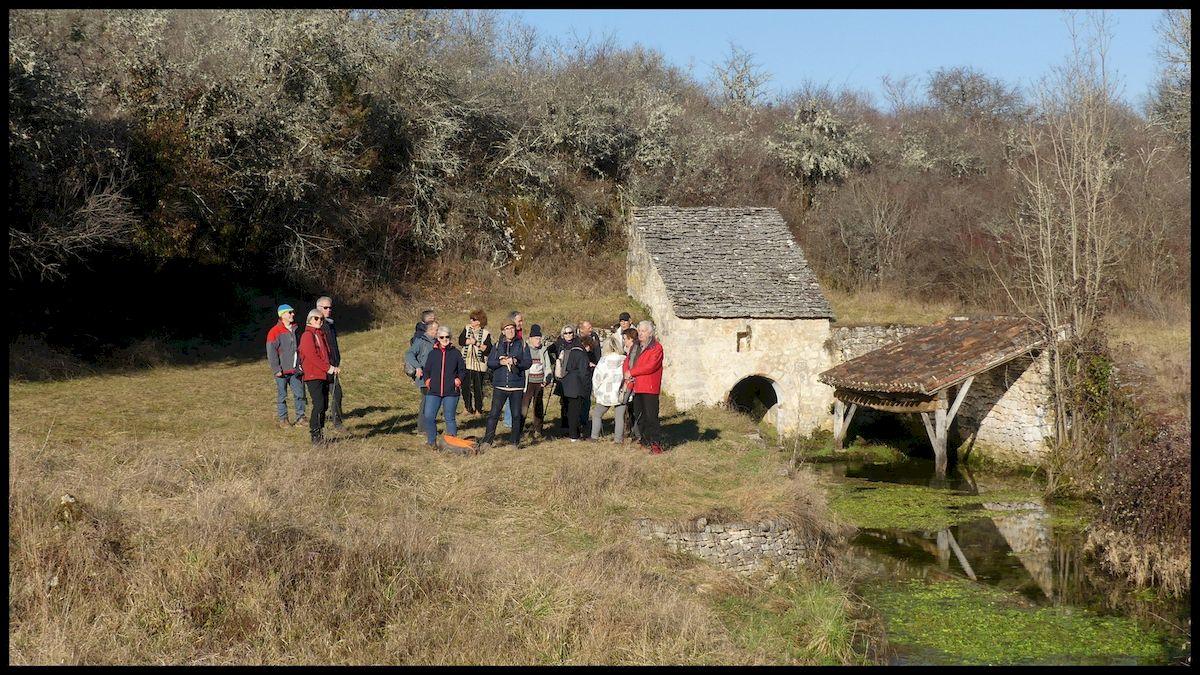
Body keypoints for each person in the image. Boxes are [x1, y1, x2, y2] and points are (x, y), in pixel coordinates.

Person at [478, 320, 531, 452]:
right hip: (500, 385)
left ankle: (514, 442)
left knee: (516, 415)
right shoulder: (497, 345)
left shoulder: (523, 344)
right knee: (493, 414)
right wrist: (500, 362)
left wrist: (516, 361)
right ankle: (487, 441)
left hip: (516, 386)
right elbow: (490, 363)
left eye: (512, 328)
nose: (510, 331)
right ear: (503, 331)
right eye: (507, 328)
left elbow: (528, 363)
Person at [298, 309, 339, 445]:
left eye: (321, 319)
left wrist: (331, 368)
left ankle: (320, 433)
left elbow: (326, 355)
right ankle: (315, 434)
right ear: (310, 319)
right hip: (313, 374)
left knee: (324, 404)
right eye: (316, 318)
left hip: (323, 375)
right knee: (319, 404)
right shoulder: (307, 335)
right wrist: (329, 368)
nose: (319, 321)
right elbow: (312, 356)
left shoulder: (320, 334)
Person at [422, 325, 466, 448]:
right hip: (434, 391)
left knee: (449, 418)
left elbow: (462, 370)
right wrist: (427, 381)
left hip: (451, 392)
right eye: (442, 337)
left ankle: (452, 445)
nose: (445, 339)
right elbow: (426, 370)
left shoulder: (456, 353)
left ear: (450, 337)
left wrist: (459, 379)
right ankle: (431, 442)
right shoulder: (432, 354)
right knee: (429, 416)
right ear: (438, 338)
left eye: (447, 337)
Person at [624, 320, 664, 454]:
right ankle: (644, 441)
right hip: (637, 386)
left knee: (651, 417)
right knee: (639, 416)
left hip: (650, 387)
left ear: (650, 333)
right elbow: (627, 360)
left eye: (643, 331)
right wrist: (626, 372)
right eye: (639, 331)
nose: (640, 333)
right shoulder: (636, 346)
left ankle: (655, 445)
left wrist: (632, 372)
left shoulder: (656, 348)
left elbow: (651, 366)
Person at [266, 304, 306, 428]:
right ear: (282, 315)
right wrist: (276, 369)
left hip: (295, 370)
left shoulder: (297, 329)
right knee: (282, 395)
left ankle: (301, 418)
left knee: (300, 394)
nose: (292, 314)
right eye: (289, 312)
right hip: (281, 371)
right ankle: (283, 420)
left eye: (293, 312)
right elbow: (271, 352)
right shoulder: (274, 332)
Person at [589, 330, 631, 443]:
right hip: (620, 392)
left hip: (605, 393)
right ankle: (618, 440)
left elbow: (597, 378)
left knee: (597, 414)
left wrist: (595, 391)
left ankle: (594, 437)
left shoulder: (603, 361)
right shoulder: (624, 359)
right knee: (619, 417)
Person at [555, 323, 590, 441]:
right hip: (568, 382)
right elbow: (584, 369)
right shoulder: (564, 347)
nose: (568, 335)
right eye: (566, 333)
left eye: (570, 332)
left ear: (574, 334)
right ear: (562, 335)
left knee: (572, 409)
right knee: (571, 409)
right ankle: (573, 434)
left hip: (570, 382)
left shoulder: (574, 348)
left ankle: (571, 432)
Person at [316, 296, 346, 432]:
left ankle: (338, 422)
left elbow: (333, 346)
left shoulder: (330, 324)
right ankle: (317, 425)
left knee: (337, 393)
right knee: (321, 399)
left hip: (333, 366)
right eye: (325, 307)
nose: (329, 310)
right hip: (321, 368)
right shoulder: (316, 325)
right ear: (318, 308)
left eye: (330, 307)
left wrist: (336, 360)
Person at [404, 320, 438, 434]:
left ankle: (428, 427)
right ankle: (422, 429)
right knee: (426, 402)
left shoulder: (437, 342)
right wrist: (417, 367)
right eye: (436, 329)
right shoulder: (420, 341)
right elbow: (409, 354)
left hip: (435, 377)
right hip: (424, 377)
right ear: (430, 330)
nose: (437, 332)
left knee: (432, 402)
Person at [521, 324, 553, 442]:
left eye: (539, 338)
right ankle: (519, 429)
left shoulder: (543, 350)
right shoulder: (525, 349)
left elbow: (548, 367)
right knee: (524, 406)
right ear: (530, 339)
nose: (538, 341)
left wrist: (547, 379)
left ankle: (538, 429)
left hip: (539, 382)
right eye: (536, 338)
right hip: (528, 383)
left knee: (538, 406)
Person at [457, 309, 492, 416]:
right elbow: (461, 341)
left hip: (479, 365)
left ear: (479, 321)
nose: (471, 321)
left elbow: (487, 349)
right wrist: (472, 342)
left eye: (473, 319)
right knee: (465, 387)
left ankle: (478, 409)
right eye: (471, 319)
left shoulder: (486, 334)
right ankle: (467, 407)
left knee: (478, 388)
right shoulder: (467, 329)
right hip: (466, 363)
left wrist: (475, 342)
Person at [501, 310, 524, 429]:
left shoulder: (520, 335)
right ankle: (509, 421)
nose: (521, 323)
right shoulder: (507, 337)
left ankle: (513, 421)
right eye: (519, 321)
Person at [619, 327, 642, 444]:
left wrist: (629, 381)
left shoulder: (634, 350)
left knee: (633, 410)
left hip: (632, 384)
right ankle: (635, 433)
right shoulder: (632, 349)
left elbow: (632, 367)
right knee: (631, 410)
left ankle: (638, 435)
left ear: (631, 339)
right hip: (630, 383)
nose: (624, 341)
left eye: (625, 339)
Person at [577, 320, 601, 429]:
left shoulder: (594, 337)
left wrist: (598, 365)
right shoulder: (576, 339)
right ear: (582, 329)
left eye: (591, 327)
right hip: (578, 373)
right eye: (589, 328)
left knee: (587, 396)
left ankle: (584, 420)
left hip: (591, 371)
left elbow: (598, 352)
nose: (591, 329)